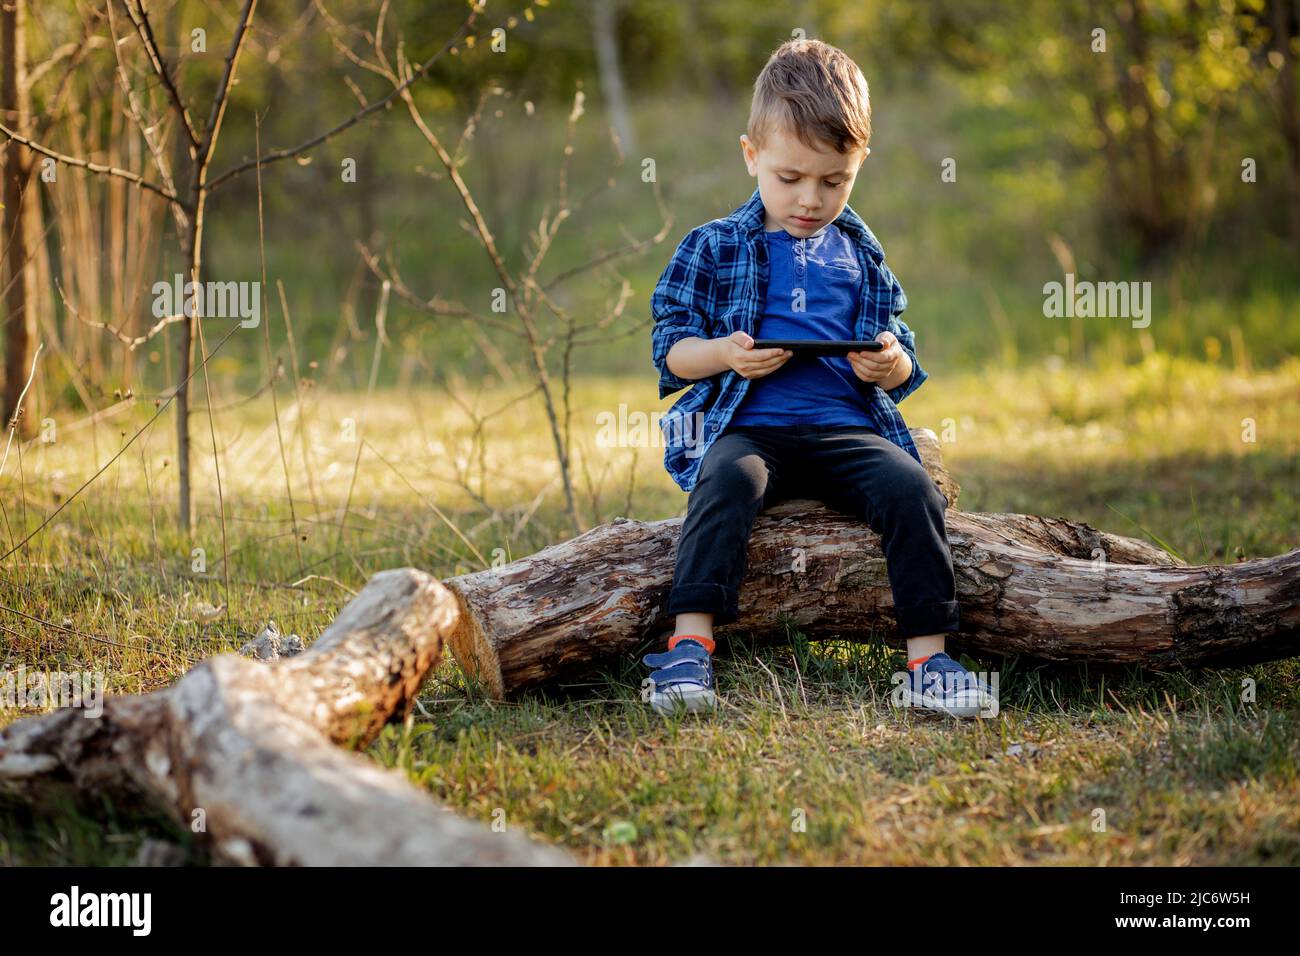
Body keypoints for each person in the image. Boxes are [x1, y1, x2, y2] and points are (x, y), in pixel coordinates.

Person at [644, 38, 991, 718]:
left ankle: (930, 658)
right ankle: (688, 647)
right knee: (726, 481)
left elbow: (901, 344)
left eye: (834, 182)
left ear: (858, 166)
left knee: (910, 485)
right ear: (751, 156)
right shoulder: (714, 245)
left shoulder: (860, 253)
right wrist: (726, 354)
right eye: (790, 178)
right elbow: (671, 350)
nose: (810, 198)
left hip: (843, 429)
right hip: (751, 431)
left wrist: (891, 363)